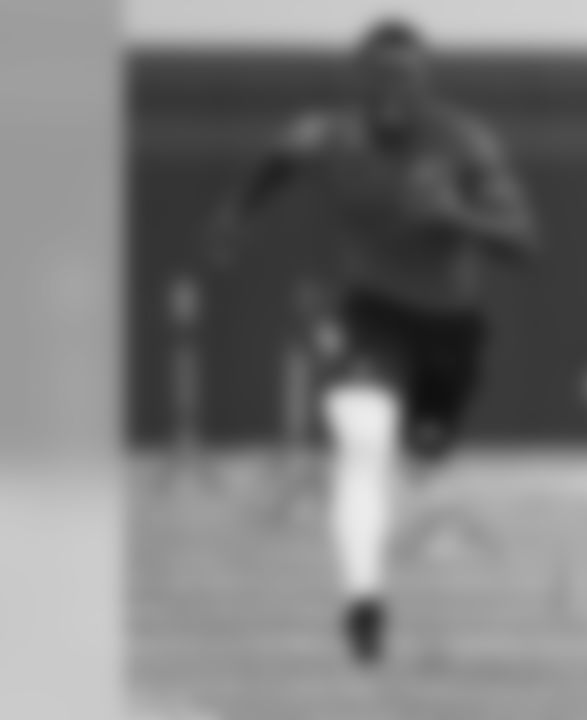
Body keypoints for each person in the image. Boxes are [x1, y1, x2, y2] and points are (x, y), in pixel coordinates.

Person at [176, 17, 538, 665]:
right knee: (362, 443)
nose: (391, 90)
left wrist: (457, 215)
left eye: (406, 77)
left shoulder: (464, 143)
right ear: (357, 79)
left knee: (425, 450)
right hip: (373, 315)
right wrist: (234, 215)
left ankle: (425, 438)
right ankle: (363, 602)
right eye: (378, 76)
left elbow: (525, 242)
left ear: (427, 81)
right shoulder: (324, 136)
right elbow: (275, 163)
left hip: (451, 331)